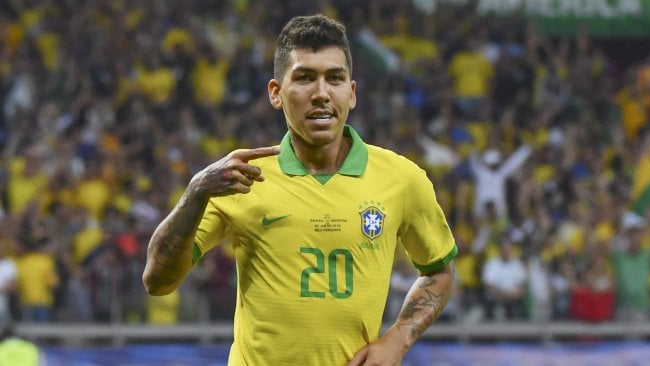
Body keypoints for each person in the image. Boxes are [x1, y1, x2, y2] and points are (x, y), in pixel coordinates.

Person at [143, 14, 457, 366]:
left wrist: (397, 340)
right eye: (305, 78)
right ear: (276, 93)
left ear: (351, 94)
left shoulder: (402, 178)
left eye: (334, 79)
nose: (321, 94)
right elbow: (157, 281)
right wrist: (196, 191)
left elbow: (439, 271)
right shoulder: (240, 179)